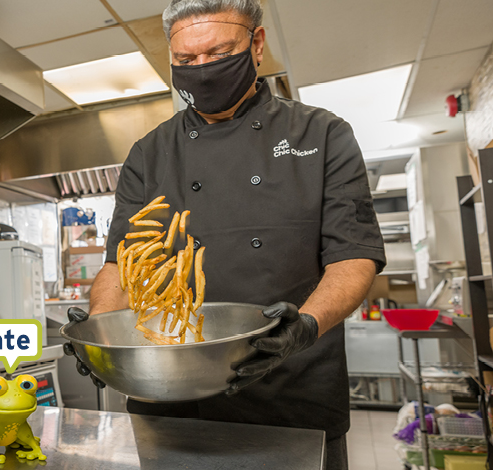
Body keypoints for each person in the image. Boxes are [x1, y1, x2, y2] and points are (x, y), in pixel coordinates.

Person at [70, 1, 386, 469]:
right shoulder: (149, 154)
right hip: (168, 401)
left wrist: (305, 327)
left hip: (289, 393)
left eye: (218, 53)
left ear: (256, 46)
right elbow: (121, 263)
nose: (202, 70)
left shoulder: (322, 134)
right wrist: (99, 330)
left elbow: (353, 257)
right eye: (186, 61)